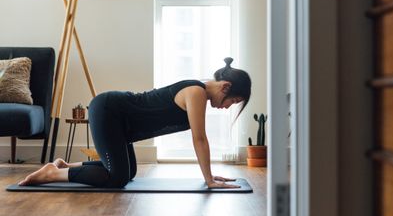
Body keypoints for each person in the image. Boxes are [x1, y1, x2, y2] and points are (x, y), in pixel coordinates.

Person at [18, 57, 251, 189]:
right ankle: (52, 174)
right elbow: (199, 138)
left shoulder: (198, 92)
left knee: (128, 173)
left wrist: (209, 176)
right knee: (117, 178)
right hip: (109, 111)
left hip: (119, 121)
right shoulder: (196, 92)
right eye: (233, 101)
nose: (228, 106)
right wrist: (209, 179)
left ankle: (65, 167)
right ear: (225, 87)